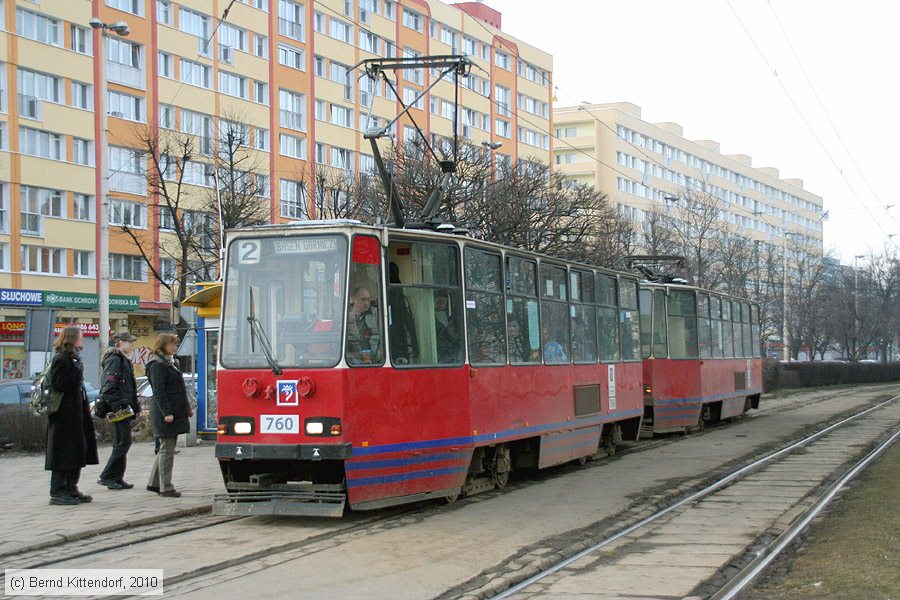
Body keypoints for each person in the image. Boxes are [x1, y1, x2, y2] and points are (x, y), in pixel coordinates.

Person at [45, 326, 98, 505]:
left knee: (78, 450)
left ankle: (71, 487)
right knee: (63, 453)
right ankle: (58, 491)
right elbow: (60, 384)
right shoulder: (61, 359)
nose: (82, 339)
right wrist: (77, 373)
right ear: (72, 339)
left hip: (75, 413)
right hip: (63, 415)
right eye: (80, 337)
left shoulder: (73, 358)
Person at [146, 333, 192, 498]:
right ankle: (166, 487)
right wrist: (167, 412)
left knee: (166, 448)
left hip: (174, 411)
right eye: (172, 344)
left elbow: (179, 388)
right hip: (165, 412)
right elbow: (159, 391)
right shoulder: (157, 365)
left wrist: (186, 407)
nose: (175, 347)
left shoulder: (171, 363)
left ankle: (154, 482)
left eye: (175, 344)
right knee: (167, 449)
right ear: (163, 345)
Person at [97, 332, 140, 490]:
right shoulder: (115, 359)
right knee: (123, 443)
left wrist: (135, 407)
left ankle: (117, 476)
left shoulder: (123, 360)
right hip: (119, 408)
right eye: (129, 342)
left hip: (124, 407)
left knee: (123, 442)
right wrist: (118, 408)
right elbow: (109, 387)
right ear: (121, 342)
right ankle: (108, 475)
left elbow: (129, 387)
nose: (132, 345)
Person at [388, 262, 419, 364]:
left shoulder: (391, 292)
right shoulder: (402, 292)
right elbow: (408, 323)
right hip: (405, 347)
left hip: (397, 347)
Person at [346, 286, 380, 364]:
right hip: (355, 357)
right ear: (353, 299)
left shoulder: (376, 313)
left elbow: (384, 335)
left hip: (376, 357)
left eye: (368, 300)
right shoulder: (347, 317)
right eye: (363, 300)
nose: (367, 303)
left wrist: (380, 352)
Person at [434, 294, 461, 363]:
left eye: (443, 303)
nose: (440, 305)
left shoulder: (460, 344)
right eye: (438, 302)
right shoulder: (440, 341)